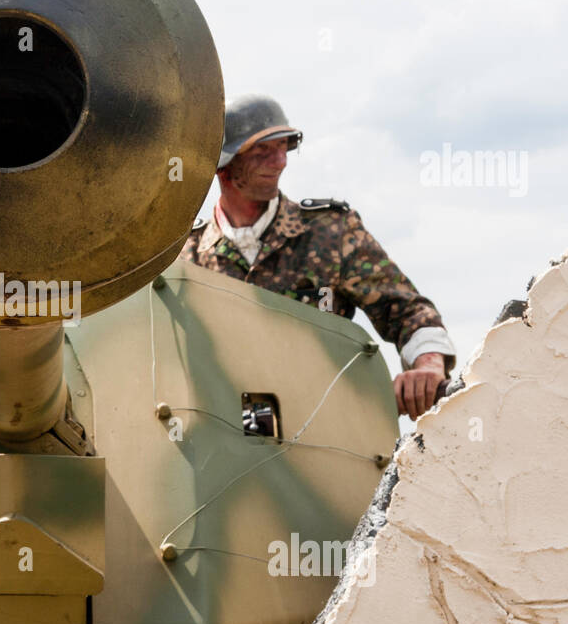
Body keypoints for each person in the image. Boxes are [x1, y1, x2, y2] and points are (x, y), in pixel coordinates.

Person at [180, 94, 456, 420]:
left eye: (284, 148)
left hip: (325, 439)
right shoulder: (186, 257)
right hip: (221, 446)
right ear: (223, 163)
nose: (280, 161)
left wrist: (428, 366)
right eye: (262, 151)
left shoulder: (329, 233)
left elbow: (408, 310)